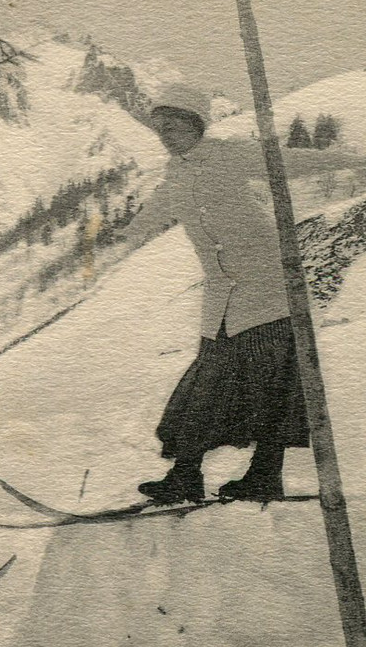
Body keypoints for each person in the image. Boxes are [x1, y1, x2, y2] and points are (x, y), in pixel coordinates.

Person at [128, 84, 310, 506]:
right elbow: (156, 210)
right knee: (204, 388)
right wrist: (119, 233)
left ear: (194, 125)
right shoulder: (175, 174)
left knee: (271, 388)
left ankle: (264, 475)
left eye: (172, 127)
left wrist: (362, 161)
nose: (165, 136)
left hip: (266, 294)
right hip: (221, 301)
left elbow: (291, 162)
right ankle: (186, 476)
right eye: (160, 130)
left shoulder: (228, 155)